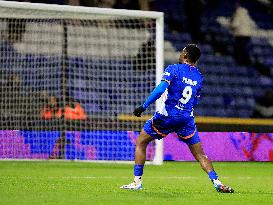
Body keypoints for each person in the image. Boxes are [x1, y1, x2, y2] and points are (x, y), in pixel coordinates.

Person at [120, 44, 234, 193]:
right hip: (186, 119)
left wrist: (144, 106)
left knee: (141, 142)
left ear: (185, 55)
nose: (180, 54)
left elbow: (160, 89)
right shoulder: (199, 77)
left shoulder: (173, 69)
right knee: (200, 154)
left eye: (182, 52)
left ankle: (137, 182)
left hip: (167, 117)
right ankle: (217, 183)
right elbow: (195, 100)